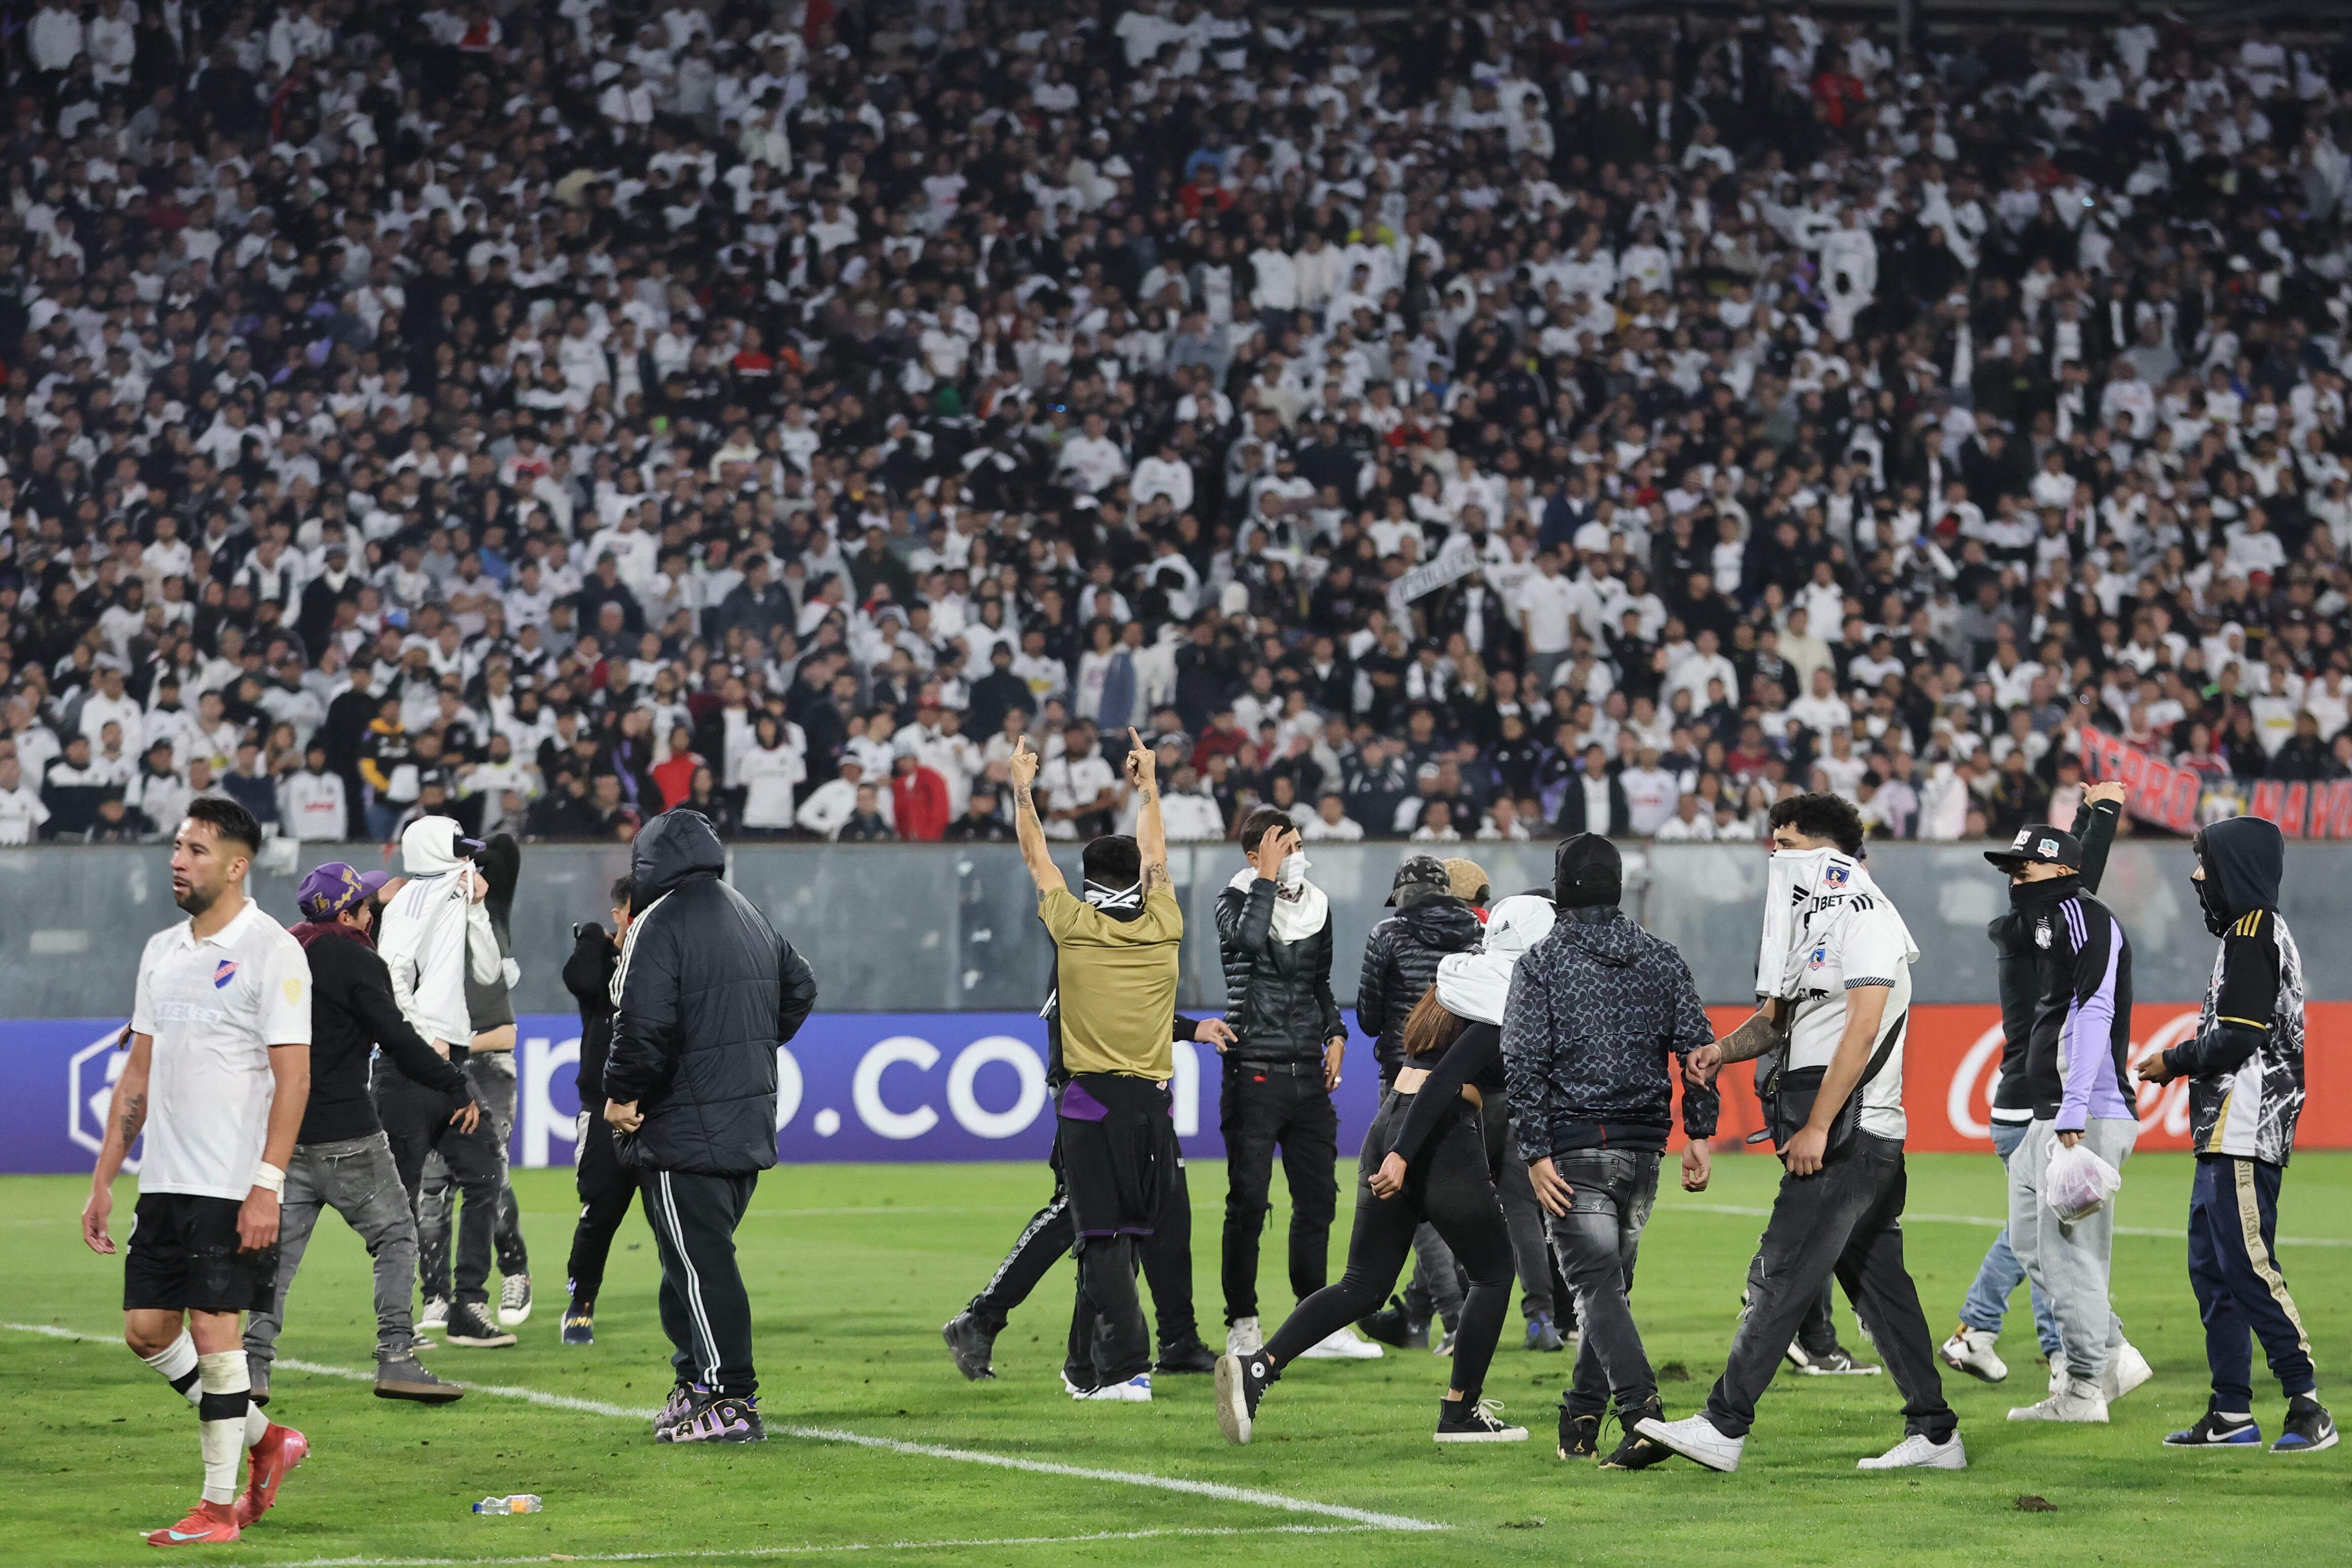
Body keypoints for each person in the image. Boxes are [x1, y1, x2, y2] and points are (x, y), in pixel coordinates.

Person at [1639, 793, 1963, 1473]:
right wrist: (1720, 1052)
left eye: (1783, 841)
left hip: (1850, 1129)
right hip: (1845, 1129)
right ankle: (1935, 1433)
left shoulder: (1867, 915)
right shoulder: (1813, 921)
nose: (1773, 853)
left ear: (1821, 847)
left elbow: (1863, 1027)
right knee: (1881, 1288)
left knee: (1780, 1273)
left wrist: (1818, 1124)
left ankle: (1724, 1424)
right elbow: (1777, 1021)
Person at [1219, 895, 1561, 1447]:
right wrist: (1406, 1153)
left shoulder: (1461, 976)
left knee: (1363, 1285)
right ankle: (1459, 1413)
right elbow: (1449, 1076)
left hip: (1393, 1122)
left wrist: (1397, 1147)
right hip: (1434, 1134)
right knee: (1496, 1273)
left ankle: (1259, 1368)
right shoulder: (1505, 993)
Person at [79, 798, 313, 1546]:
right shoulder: (161, 951)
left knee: (217, 1333)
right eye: (178, 846)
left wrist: (267, 1183)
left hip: (230, 1182)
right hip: (167, 1182)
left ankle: (216, 1510)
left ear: (237, 865)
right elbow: (139, 1070)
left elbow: (295, 1078)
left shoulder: (272, 949)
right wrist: (104, 1178)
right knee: (147, 1331)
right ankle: (269, 1439)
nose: (178, 859)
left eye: (197, 849)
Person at [1504, 835, 1719, 1468]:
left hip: (1573, 1148)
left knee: (1595, 1285)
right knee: (1609, 1289)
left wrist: (1536, 1151)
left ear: (1560, 888)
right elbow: (1699, 1051)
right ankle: (1581, 1411)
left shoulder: (1541, 963)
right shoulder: (1661, 956)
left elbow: (1522, 1061)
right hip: (1643, 1150)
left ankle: (1643, 1412)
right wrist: (1699, 1133)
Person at [605, 808, 818, 1443]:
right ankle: (696, 1380)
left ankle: (730, 1397)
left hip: (681, 1126)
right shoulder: (746, 911)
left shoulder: (657, 923)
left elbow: (641, 1026)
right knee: (690, 1262)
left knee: (699, 1266)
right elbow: (800, 988)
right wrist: (745, 1045)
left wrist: (622, 1095)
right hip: (745, 1119)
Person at [2139, 818, 2337, 1453]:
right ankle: (2230, 1413)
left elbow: (2240, 1037)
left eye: (2206, 863)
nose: (2198, 876)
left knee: (2248, 1266)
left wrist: (2175, 1059)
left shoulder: (2253, 933)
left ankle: (2307, 1402)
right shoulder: (2246, 934)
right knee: (2214, 1270)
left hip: (2246, 1128)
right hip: (2226, 1130)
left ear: (2236, 868)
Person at [243, 863, 474, 1405]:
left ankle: (253, 1368)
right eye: (368, 907)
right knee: (396, 1235)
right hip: (347, 1133)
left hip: (285, 1136)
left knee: (275, 1256)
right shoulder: (355, 956)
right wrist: (454, 1084)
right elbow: (397, 1036)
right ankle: (396, 1356)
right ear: (347, 914)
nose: (374, 916)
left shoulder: (282, 951)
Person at [1001, 727, 1186, 1402]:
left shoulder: (1072, 926)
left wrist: (1022, 786)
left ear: (1087, 883)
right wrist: (1149, 787)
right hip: (1150, 1104)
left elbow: (1034, 855)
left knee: (1102, 1236)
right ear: (1139, 879)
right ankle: (1097, 1369)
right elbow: (1158, 856)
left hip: (1092, 1103)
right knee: (1130, 1235)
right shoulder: (1165, 921)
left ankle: (1125, 1370)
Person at [1940, 781, 2129, 1388]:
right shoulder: (2035, 927)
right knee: (2046, 1242)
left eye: (2027, 870)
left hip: (2022, 1097)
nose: (2022, 881)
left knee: (2042, 1237)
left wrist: (2087, 815)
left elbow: (2070, 878)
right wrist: (2102, 813)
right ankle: (2066, 1347)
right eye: (2017, 872)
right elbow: (2076, 882)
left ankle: (2054, 1357)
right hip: (2033, 1103)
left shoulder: (2031, 923)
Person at [941, 1005, 1234, 1383]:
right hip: (1094, 1097)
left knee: (1164, 1211)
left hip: (1139, 1098)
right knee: (1081, 1217)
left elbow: (1136, 1010)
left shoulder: (1126, 956)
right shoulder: (1080, 954)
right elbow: (1104, 1019)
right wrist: (1185, 1028)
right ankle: (983, 1319)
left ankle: (1173, 1339)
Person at [1990, 820, 2145, 1424]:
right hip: (2048, 1113)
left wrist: (2073, 1108)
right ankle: (2109, 1353)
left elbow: (2094, 1008)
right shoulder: (2047, 919)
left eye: (2025, 865)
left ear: (2060, 869)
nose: (2014, 874)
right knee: (2031, 1247)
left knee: (2070, 1259)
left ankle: (2084, 1392)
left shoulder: (2086, 916)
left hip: (2082, 1113)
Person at [1215, 808, 1375, 1362]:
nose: (1296, 855)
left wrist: (1336, 1032)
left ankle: (1315, 1322)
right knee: (1249, 1202)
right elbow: (1252, 941)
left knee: (1318, 1201)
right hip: (1253, 1071)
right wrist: (1267, 878)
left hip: (1308, 1074)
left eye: (1299, 844)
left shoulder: (1318, 904)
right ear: (1255, 855)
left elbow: (1319, 983)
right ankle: (1243, 1322)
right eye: (1284, 846)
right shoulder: (1233, 900)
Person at [375, 817, 514, 1350]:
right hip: (410, 1067)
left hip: (450, 1067)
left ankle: (467, 1305)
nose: (469, 861)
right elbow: (393, 971)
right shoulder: (412, 900)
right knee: (401, 1198)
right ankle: (398, 1324)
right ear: (436, 850)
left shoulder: (453, 897)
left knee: (485, 1175)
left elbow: (487, 971)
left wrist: (477, 907)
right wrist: (422, 1037)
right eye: (459, 851)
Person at [1351, 855, 1482, 1353]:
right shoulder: (1475, 931)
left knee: (1416, 1202)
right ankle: (1452, 1312)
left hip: (1405, 1079)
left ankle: (1452, 1319)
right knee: (1464, 1198)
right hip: (1467, 1081)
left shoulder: (1387, 934)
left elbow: (1366, 1017)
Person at [417, 832, 534, 1330]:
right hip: (440, 1067)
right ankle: (437, 1294)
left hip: (488, 1066)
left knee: (490, 1174)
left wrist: (465, 853)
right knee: (432, 1186)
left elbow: (505, 849)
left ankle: (514, 1270)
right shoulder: (423, 919)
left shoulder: (492, 906)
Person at [559, 876, 644, 1347]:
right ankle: (582, 1301)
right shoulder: (602, 958)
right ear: (619, 914)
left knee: (672, 1218)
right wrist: (596, 936)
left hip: (657, 1112)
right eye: (634, 911)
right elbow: (581, 981)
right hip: (602, 1108)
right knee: (601, 1214)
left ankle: (690, 1304)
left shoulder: (662, 960)